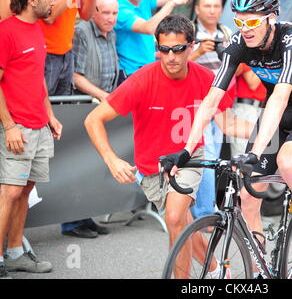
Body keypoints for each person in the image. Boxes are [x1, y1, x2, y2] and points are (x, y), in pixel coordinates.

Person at [163, 0, 292, 264]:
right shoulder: (239, 45)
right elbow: (211, 100)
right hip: (276, 110)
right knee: (248, 198)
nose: (245, 28)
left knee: (288, 162)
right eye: (239, 21)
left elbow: (280, 96)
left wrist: (256, 151)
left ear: (271, 17)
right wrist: (186, 150)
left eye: (252, 21)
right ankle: (260, 267)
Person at [84, 15, 252, 278]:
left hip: (189, 158)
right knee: (183, 225)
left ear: (191, 46)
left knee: (174, 217)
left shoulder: (207, 78)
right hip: (151, 167)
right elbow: (93, 119)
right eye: (164, 49)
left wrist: (272, 130)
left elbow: (227, 124)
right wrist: (111, 159)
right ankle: (217, 270)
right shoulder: (142, 80)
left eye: (178, 49)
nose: (171, 56)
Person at [0, 0, 63, 279]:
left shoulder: (37, 29)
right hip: (18, 127)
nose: (54, 2)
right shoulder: (6, 32)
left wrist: (50, 114)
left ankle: (14, 254)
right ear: (32, 0)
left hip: (38, 125)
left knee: (25, 192)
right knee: (10, 193)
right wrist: (9, 125)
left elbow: (36, 76)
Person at [61, 0, 120, 239]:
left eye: (114, 13)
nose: (111, 18)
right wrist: (105, 96)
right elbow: (76, 76)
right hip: (82, 106)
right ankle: (72, 222)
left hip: (100, 105)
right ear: (93, 11)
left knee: (93, 165)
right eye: (105, 12)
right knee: (77, 165)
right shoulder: (82, 32)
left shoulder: (112, 34)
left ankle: (86, 217)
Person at [187, 0, 232, 219]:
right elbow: (173, 62)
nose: (212, 10)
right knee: (206, 154)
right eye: (207, 6)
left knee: (213, 157)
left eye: (216, 6)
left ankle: (205, 206)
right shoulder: (190, 32)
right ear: (197, 9)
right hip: (196, 103)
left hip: (220, 104)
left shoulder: (226, 32)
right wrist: (198, 52)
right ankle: (205, 211)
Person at [115, 0, 195, 83]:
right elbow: (148, 28)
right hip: (130, 72)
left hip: (147, 69)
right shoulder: (119, 9)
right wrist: (172, 3)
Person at [38, 0, 105, 96]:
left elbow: (86, 15)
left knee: (64, 107)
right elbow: (48, 15)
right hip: (44, 53)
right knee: (42, 106)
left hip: (67, 52)